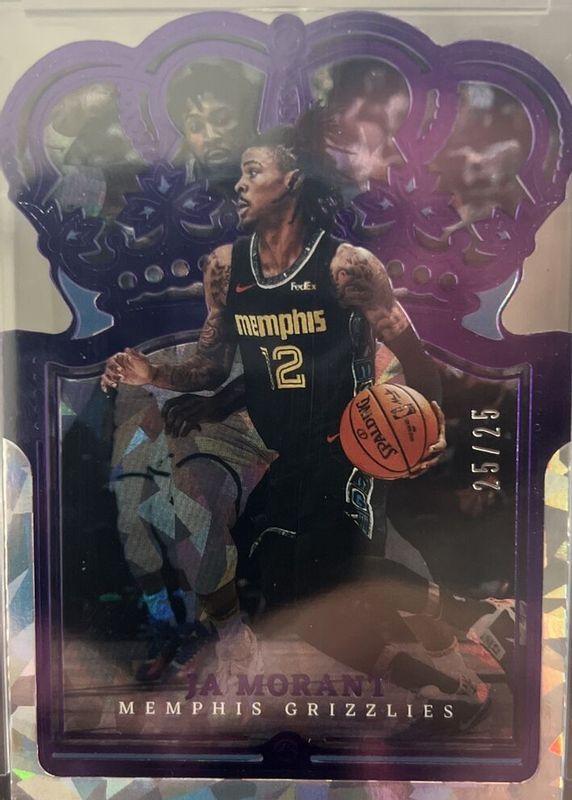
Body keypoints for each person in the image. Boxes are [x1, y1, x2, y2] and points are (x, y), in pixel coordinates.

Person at [101, 118, 515, 714]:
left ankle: (469, 626)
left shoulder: (348, 268)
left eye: (253, 171)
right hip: (288, 452)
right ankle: (455, 673)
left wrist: (429, 429)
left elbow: (416, 357)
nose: (239, 184)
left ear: (292, 181)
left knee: (330, 578)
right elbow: (212, 368)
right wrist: (154, 375)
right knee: (290, 603)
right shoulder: (225, 268)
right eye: (239, 173)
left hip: (349, 443)